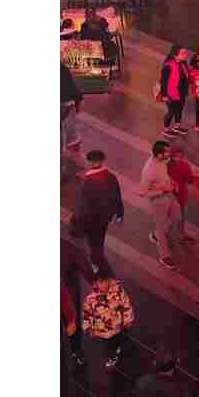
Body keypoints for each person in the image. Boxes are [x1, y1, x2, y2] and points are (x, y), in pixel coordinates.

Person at [72, 150, 123, 275]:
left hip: (91, 221)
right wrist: (119, 214)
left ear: (90, 163)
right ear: (102, 161)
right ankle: (98, 258)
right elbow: (117, 196)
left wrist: (77, 223)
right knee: (99, 240)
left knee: (93, 243)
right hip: (105, 218)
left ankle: (98, 266)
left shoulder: (88, 182)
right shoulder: (111, 177)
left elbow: (83, 207)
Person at [142, 140, 183, 270]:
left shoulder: (162, 160)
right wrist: (163, 190)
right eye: (167, 152)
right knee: (161, 229)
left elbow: (164, 175)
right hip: (158, 201)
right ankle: (164, 256)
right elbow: (143, 192)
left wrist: (170, 182)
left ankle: (156, 235)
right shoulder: (149, 171)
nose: (170, 153)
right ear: (160, 154)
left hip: (169, 194)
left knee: (177, 216)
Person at [82, 275, 135, 372]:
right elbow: (87, 314)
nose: (103, 285)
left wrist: (128, 320)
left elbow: (126, 304)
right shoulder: (91, 299)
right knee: (108, 347)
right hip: (103, 331)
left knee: (120, 339)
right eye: (100, 282)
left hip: (118, 326)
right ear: (95, 283)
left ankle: (118, 349)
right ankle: (111, 358)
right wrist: (88, 327)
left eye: (105, 281)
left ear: (109, 281)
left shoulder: (118, 292)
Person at [62, 237, 97, 369]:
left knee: (73, 325)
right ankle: (76, 353)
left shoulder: (66, 248)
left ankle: (76, 352)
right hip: (68, 296)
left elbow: (83, 265)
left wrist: (95, 283)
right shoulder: (66, 247)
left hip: (69, 297)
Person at [158, 46, 192, 137]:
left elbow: (187, 75)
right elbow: (163, 82)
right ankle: (166, 129)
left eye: (185, 53)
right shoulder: (168, 66)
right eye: (183, 53)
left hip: (181, 92)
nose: (186, 55)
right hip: (171, 94)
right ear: (175, 55)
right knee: (171, 111)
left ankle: (177, 126)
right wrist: (164, 95)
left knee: (179, 109)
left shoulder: (183, 63)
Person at [62, 63, 84, 152]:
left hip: (66, 103)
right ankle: (72, 144)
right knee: (70, 132)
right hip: (67, 103)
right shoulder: (62, 68)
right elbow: (73, 89)